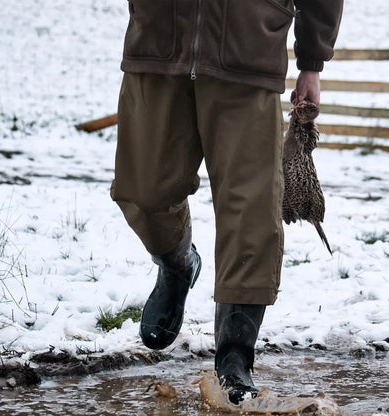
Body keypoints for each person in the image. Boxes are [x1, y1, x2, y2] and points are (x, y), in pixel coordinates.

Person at [111, 0, 343, 404]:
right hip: (158, 44)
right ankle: (177, 263)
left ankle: (235, 357)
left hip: (249, 50)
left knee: (251, 210)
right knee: (143, 190)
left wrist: (312, 61)